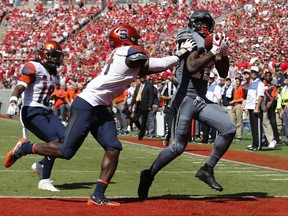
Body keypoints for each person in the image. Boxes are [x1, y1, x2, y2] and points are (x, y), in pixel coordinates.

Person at [4, 24, 196, 206]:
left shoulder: (125, 55)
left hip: (101, 106)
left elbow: (157, 66)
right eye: (135, 39)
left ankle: (97, 195)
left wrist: (176, 57)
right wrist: (182, 52)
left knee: (113, 147)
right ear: (126, 39)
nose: (139, 42)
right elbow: (159, 63)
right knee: (65, 151)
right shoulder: (126, 52)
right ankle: (25, 148)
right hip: (87, 103)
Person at [137, 10, 236, 201]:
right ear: (193, 24)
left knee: (229, 128)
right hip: (185, 98)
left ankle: (207, 169)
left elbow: (223, 73)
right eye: (201, 23)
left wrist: (223, 54)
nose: (204, 27)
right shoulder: (188, 37)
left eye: (207, 23)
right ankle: (148, 174)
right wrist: (213, 52)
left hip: (200, 98)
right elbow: (191, 67)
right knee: (178, 147)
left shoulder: (210, 42)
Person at [6, 40, 65, 192]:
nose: (56, 60)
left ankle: (41, 164)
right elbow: (20, 87)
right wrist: (13, 101)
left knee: (67, 139)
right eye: (53, 56)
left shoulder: (54, 74)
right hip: (32, 111)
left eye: (57, 57)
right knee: (54, 141)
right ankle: (44, 179)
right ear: (43, 54)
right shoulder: (34, 67)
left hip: (46, 111)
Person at [244, 66, 265, 151]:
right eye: (252, 72)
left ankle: (258, 145)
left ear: (258, 73)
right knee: (253, 127)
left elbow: (260, 96)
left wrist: (257, 107)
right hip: (251, 107)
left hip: (256, 107)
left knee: (257, 127)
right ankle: (254, 144)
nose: (253, 73)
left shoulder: (259, 83)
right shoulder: (252, 83)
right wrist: (247, 107)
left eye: (255, 72)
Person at [160, 75, 177, 146]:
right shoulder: (168, 85)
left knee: (177, 127)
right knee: (170, 126)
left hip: (178, 109)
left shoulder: (182, 85)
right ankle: (167, 138)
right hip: (169, 107)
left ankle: (176, 142)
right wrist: (169, 98)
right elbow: (161, 95)